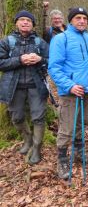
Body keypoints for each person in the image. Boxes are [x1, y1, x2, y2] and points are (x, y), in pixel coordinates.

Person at [49, 7, 88, 180]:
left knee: (83, 122)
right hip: (71, 92)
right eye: (78, 18)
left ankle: (79, 151)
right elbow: (54, 68)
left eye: (84, 18)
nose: (82, 21)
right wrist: (70, 85)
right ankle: (62, 159)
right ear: (71, 20)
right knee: (67, 127)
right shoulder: (61, 39)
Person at [0, 11, 49, 165]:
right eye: (22, 20)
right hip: (14, 87)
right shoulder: (7, 42)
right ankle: (27, 139)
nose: (25, 22)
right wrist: (19, 60)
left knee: (38, 117)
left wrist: (40, 59)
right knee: (16, 117)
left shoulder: (40, 42)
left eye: (28, 20)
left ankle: (36, 147)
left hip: (36, 86)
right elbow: (1, 63)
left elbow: (51, 61)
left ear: (33, 24)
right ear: (16, 23)